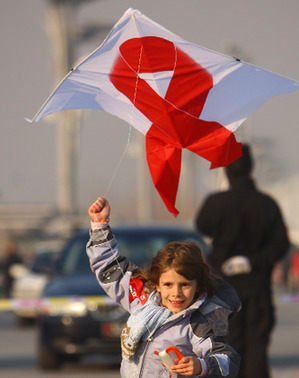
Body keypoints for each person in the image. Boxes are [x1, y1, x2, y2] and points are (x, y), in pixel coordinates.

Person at [86, 196, 241, 378]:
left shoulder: (199, 323)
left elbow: (228, 360)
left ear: (198, 285)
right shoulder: (141, 298)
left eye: (184, 285)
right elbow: (110, 267)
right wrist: (100, 224)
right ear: (157, 283)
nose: (176, 293)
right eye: (168, 284)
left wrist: (202, 366)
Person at [195, 143, 290, 378]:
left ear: (226, 170)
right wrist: (253, 262)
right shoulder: (266, 204)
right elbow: (281, 244)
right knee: (256, 350)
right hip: (258, 289)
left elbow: (201, 225)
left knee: (226, 349)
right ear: (251, 167)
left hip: (223, 289)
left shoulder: (216, 203)